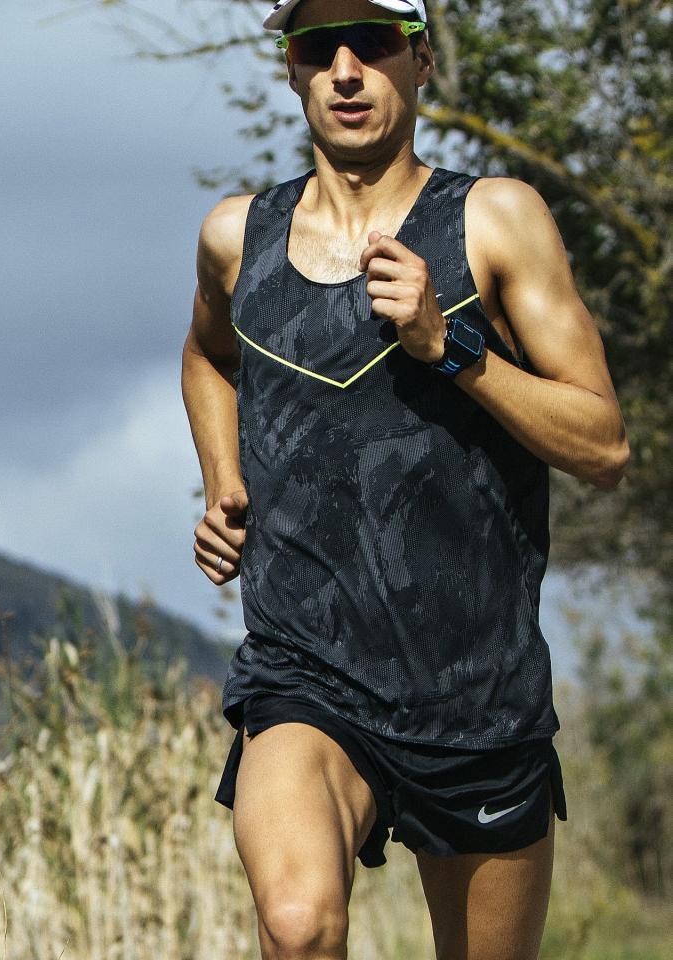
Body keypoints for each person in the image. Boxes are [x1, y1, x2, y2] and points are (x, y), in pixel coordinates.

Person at [179, 0, 630, 957]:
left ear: (421, 62)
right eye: (317, 47)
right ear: (289, 71)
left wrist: (450, 342)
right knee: (298, 927)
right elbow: (208, 356)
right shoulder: (237, 237)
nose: (346, 69)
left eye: (375, 43)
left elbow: (602, 444)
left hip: (475, 693)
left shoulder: (494, 221)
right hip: (305, 671)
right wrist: (223, 482)